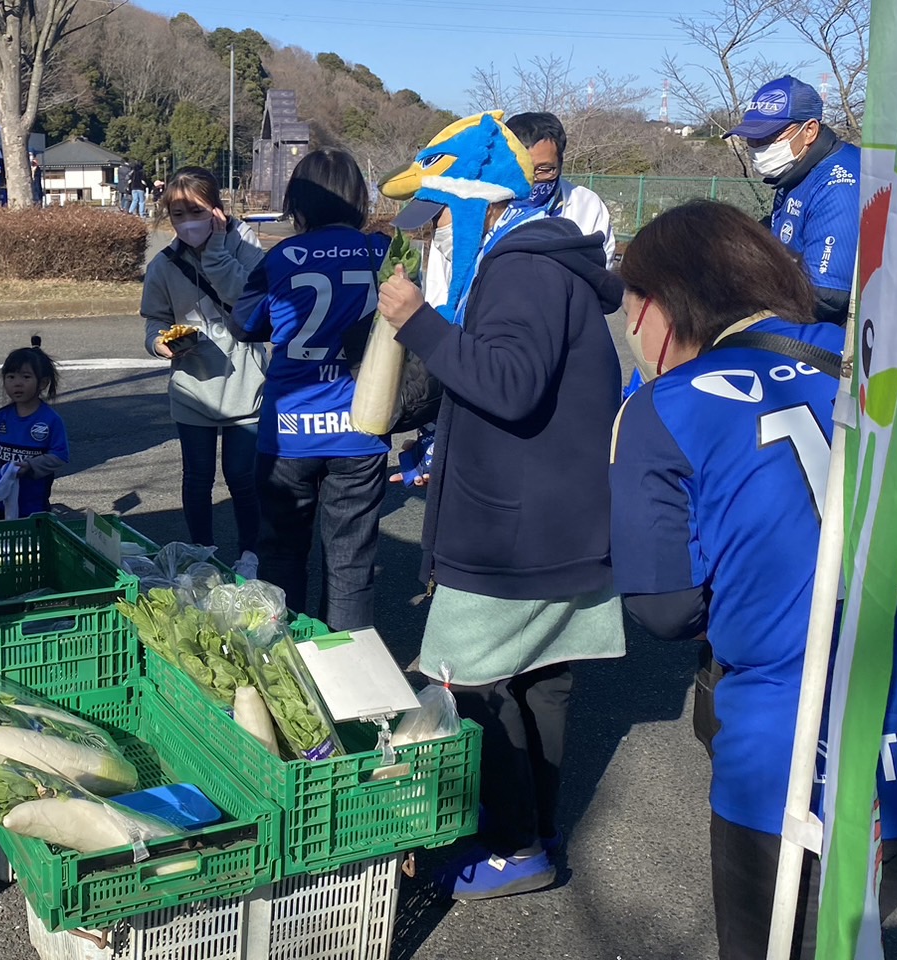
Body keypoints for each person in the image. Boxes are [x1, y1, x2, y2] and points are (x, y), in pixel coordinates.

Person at [609, 200, 897, 960]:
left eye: (631, 304)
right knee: (847, 930)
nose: (629, 324)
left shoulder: (664, 407)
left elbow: (665, 608)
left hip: (796, 764)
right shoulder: (887, 366)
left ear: (660, 305)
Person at [375, 111, 626, 900]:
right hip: (559, 518)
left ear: (478, 203)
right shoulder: (542, 260)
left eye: (440, 218)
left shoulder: (519, 270)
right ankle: (535, 830)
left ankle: (514, 847)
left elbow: (509, 385)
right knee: (540, 682)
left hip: (511, 530)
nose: (434, 237)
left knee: (473, 681)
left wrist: (416, 324)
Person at [233, 148, 389, 630]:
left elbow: (244, 324)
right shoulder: (383, 251)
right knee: (350, 567)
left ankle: (287, 660)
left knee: (281, 557)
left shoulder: (281, 257)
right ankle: (346, 665)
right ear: (358, 199)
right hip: (362, 422)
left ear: (298, 202)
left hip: (289, 429)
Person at [140, 166, 267, 575]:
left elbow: (249, 299)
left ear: (216, 209)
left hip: (246, 384)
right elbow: (155, 319)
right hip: (192, 386)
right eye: (177, 214)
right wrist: (159, 343)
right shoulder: (164, 265)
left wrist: (215, 251)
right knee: (197, 477)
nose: (187, 222)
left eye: (195, 212)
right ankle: (201, 554)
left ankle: (250, 554)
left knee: (242, 477)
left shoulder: (246, 246)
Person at [729, 75, 859, 325]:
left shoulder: (839, 183)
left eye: (768, 137)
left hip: (836, 335)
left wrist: (744, 299)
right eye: (751, 139)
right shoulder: (797, 169)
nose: (757, 147)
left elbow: (826, 296)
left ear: (809, 130)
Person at [504, 112, 614, 265]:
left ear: (560, 164)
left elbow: (600, 268)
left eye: (544, 169)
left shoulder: (587, 206)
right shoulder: (484, 205)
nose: (531, 179)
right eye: (521, 169)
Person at [0, 337, 68, 518]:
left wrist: (31, 465)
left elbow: (60, 455)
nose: (17, 383)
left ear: (42, 383)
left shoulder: (50, 419)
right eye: (11, 377)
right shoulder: (2, 416)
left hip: (33, 504)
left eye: (26, 377)